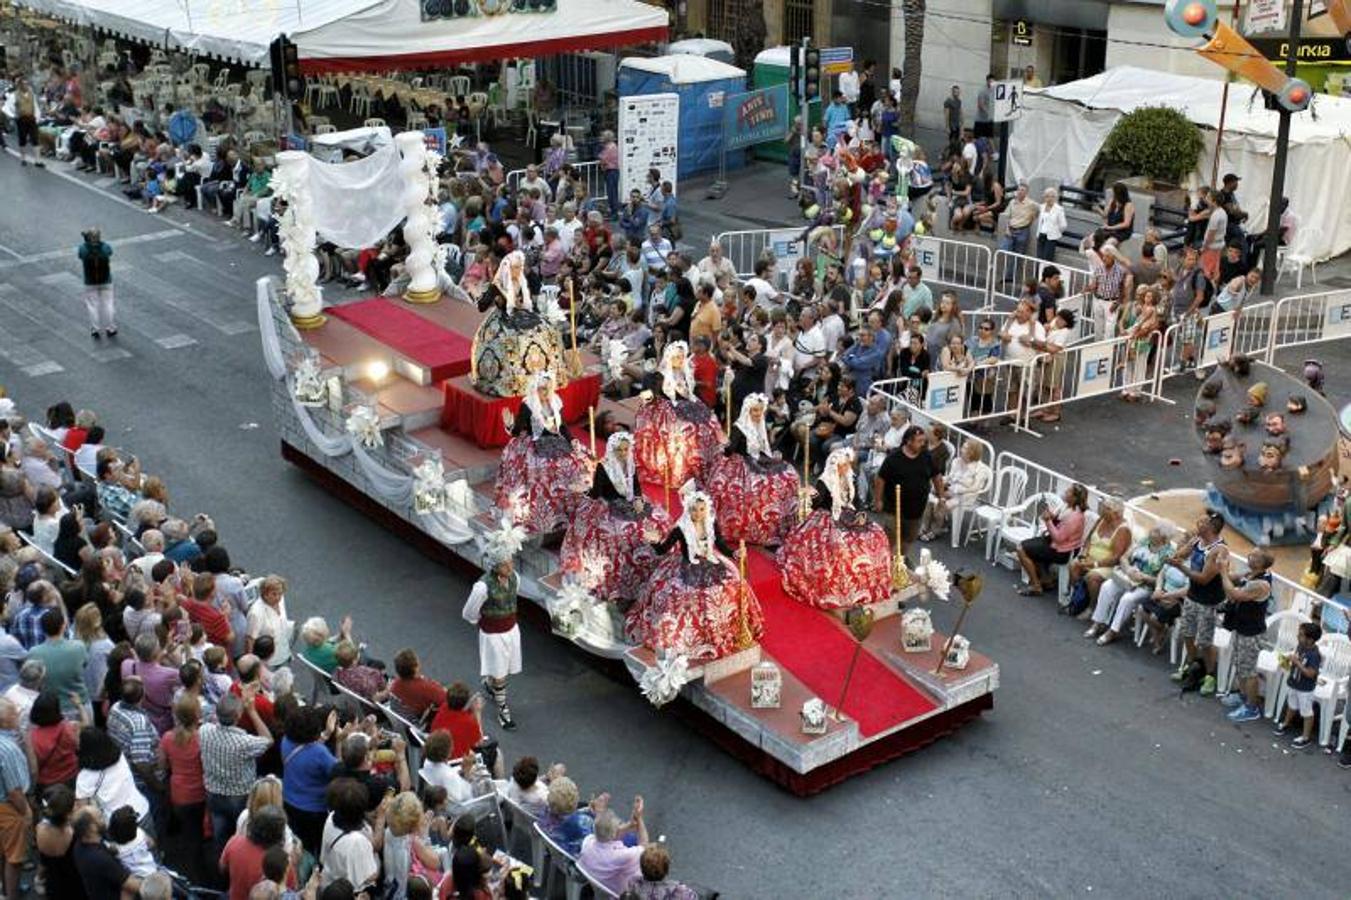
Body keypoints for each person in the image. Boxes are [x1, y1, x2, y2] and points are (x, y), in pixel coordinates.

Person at [626, 485, 763, 660]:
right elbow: (663, 549)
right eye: (694, 510)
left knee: (734, 585)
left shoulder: (711, 523)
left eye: (701, 509)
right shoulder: (680, 528)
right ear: (688, 510)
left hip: (712, 562)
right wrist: (653, 540)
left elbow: (720, 545)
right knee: (678, 596)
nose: (698, 514)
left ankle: (730, 631)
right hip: (685, 566)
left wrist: (734, 554)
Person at [559, 432, 671, 602]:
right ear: (613, 450)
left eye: (626, 450)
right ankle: (618, 582)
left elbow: (636, 487)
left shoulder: (630, 464)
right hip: (607, 507)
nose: (624, 454)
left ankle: (649, 572)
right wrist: (583, 491)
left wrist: (639, 500)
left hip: (631, 503)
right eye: (620, 450)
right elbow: (596, 493)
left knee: (659, 520)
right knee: (617, 534)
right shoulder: (603, 468)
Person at [779, 447, 890, 610]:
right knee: (839, 547)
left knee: (877, 536)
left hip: (849, 515)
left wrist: (859, 514)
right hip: (828, 518)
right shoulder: (825, 481)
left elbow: (856, 501)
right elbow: (817, 505)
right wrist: (813, 495)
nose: (845, 468)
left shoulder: (850, 478)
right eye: (842, 466)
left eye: (847, 465)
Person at [493, 371, 592, 536]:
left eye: (547, 389)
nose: (545, 393)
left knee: (575, 462)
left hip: (555, 439)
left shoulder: (555, 402)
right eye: (541, 389)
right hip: (534, 442)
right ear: (535, 389)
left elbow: (561, 426)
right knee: (544, 469)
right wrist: (509, 426)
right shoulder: (528, 405)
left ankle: (570, 509)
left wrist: (572, 440)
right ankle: (544, 514)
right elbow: (518, 430)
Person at [705, 394, 800, 547]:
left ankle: (771, 526)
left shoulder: (760, 425)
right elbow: (730, 451)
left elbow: (763, 448)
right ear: (748, 410)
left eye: (760, 411)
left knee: (787, 476)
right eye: (755, 411)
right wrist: (725, 442)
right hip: (739, 466)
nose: (758, 414)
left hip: (758, 461)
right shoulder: (739, 427)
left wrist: (773, 455)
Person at [634, 341, 725, 487]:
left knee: (708, 423)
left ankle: (703, 466)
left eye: (682, 357)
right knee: (685, 430)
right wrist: (658, 404)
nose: (680, 360)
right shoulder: (657, 376)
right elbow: (646, 397)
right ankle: (680, 469)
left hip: (685, 407)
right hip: (664, 411)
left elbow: (690, 395)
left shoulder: (685, 374)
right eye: (677, 357)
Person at [462, 552, 523, 731]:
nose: (510, 568)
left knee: (505, 668)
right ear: (495, 566)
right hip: (493, 635)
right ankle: (503, 710)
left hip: (511, 630)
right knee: (500, 672)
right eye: (505, 565)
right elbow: (469, 612)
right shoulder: (482, 587)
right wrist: (485, 623)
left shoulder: (515, 578)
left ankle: (490, 684)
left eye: (511, 563)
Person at [1084, 527, 1174, 647]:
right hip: (1128, 578)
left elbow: (1163, 578)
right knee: (1106, 587)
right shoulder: (1144, 542)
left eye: (1156, 531)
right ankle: (1097, 623)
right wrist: (1128, 569)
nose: (1151, 532)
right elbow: (1124, 557)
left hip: (1146, 586)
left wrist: (1144, 577)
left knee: (1128, 599)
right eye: (1152, 530)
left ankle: (1113, 631)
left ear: (1164, 537)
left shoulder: (1168, 553)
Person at [1169, 512, 1227, 696]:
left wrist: (1180, 567)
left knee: (1204, 641)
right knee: (1186, 632)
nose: (1197, 523)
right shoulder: (1197, 541)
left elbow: (1203, 578)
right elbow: (1181, 554)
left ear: (1210, 527)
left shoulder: (1219, 550)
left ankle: (1210, 675)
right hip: (1192, 596)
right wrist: (1177, 555)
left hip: (1208, 601)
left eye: (1202, 521)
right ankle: (1193, 665)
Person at [1216, 547, 1274, 724]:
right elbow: (1234, 578)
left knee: (1249, 671)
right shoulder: (1251, 574)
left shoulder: (1261, 584)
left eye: (1254, 555)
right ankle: (1242, 696)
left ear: (1261, 563)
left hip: (1251, 633)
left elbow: (1234, 594)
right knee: (1240, 664)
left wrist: (1224, 572)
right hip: (1241, 627)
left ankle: (1252, 707)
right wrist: (1224, 565)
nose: (1249, 556)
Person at [873, 426, 946, 562]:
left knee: (908, 539)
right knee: (892, 539)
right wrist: (878, 500)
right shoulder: (894, 458)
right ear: (908, 441)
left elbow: (936, 476)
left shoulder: (926, 456)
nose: (923, 444)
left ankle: (900, 561)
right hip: (893, 509)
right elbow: (880, 478)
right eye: (919, 441)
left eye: (924, 441)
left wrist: (941, 496)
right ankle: (887, 565)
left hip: (916, 511)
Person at [1013, 484, 1088, 597]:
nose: (1065, 492)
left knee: (1021, 548)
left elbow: (1058, 538)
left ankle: (1036, 585)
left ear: (1074, 498)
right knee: (1032, 546)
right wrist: (1052, 517)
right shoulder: (1067, 507)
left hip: (1063, 552)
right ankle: (1046, 579)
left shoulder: (1074, 517)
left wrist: (1048, 521)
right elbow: (1059, 523)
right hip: (1058, 545)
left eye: (1068, 492)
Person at [72, 806, 141, 900]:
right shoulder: (100, 858)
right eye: (100, 817)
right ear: (92, 828)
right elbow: (136, 886)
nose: (104, 818)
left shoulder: (79, 845)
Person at [579, 806, 649, 897]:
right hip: (624, 893)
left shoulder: (587, 843)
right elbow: (644, 845)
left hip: (602, 888)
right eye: (619, 825)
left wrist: (630, 825)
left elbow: (613, 834)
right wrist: (639, 819)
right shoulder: (622, 855)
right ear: (613, 834)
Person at [1273, 622, 1322, 750]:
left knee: (1307, 711)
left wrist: (1298, 663)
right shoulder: (1301, 646)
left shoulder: (1314, 655)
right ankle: (1286, 723)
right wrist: (1289, 659)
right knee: (1291, 704)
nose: (1297, 636)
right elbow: (1296, 658)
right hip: (1294, 682)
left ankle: (1306, 737)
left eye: (1300, 635)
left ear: (1310, 639)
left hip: (1305, 688)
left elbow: (1311, 674)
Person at [0, 698, 30, 900]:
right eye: (14, 712)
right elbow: (14, 791)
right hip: (9, 807)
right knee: (14, 857)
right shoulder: (7, 750)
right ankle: (12, 894)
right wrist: (26, 811)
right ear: (3, 721)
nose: (18, 713)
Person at [35, 785, 85, 900]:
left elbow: (44, 861)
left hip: (52, 884)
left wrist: (38, 878)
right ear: (68, 814)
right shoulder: (74, 834)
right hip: (75, 884)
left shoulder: (39, 828)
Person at [622, 843, 699, 900]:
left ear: (642, 868)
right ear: (666, 869)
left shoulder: (634, 883)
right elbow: (695, 897)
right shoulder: (677, 889)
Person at [78, 229, 116, 339]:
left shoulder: (83, 248)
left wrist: (86, 242)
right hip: (106, 280)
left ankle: (95, 328)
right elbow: (110, 252)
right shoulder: (105, 247)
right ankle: (111, 327)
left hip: (90, 282)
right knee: (108, 304)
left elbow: (81, 255)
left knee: (92, 306)